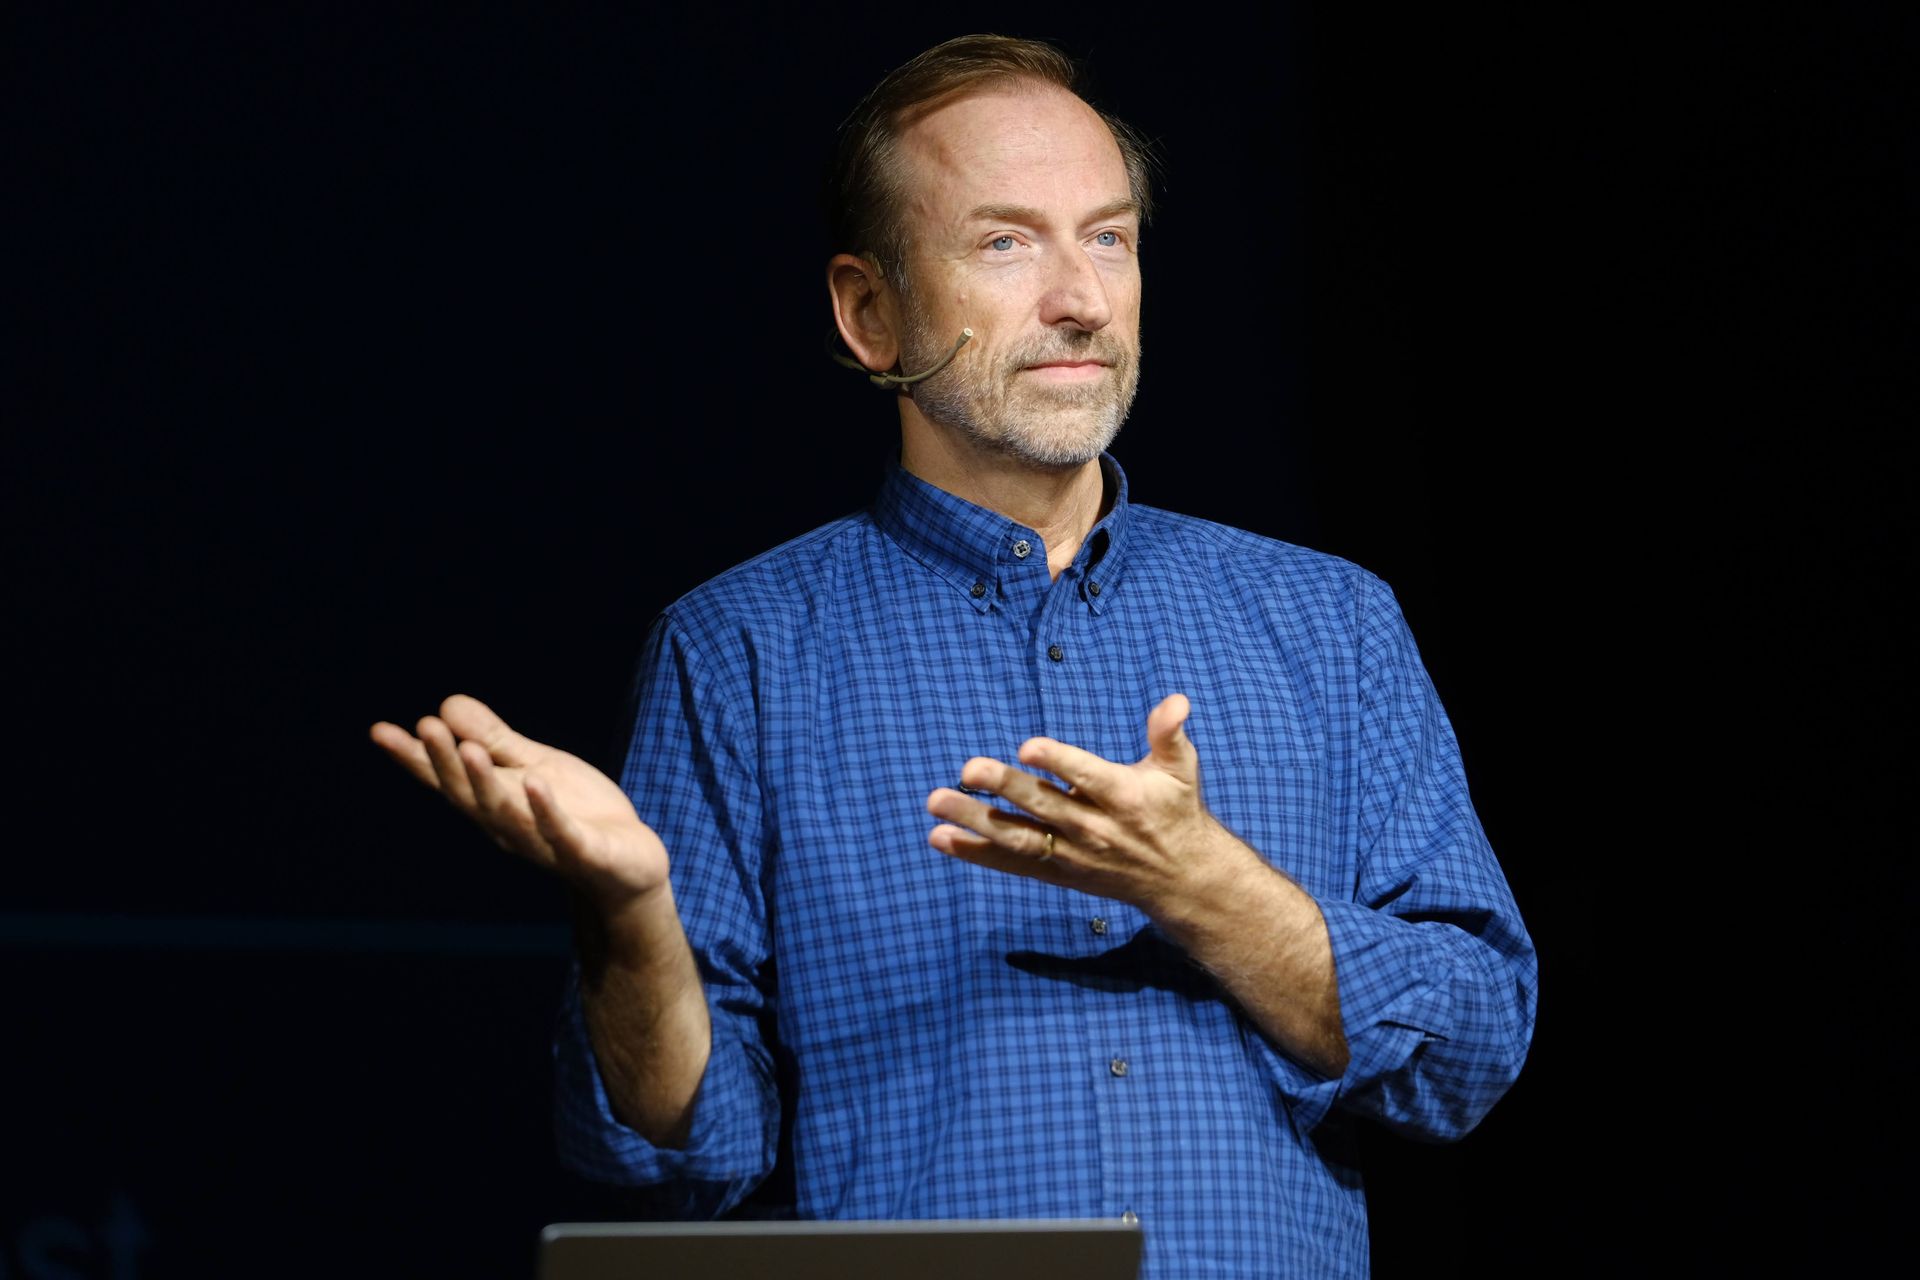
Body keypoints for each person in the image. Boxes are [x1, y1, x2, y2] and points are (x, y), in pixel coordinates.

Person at [371, 34, 1536, 1277]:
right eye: (1005, 241)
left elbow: (1472, 1048)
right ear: (870, 312)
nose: (1081, 295)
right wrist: (631, 914)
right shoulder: (739, 650)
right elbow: (680, 1157)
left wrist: (1205, 885)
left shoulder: (1330, 620)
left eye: (1109, 236)